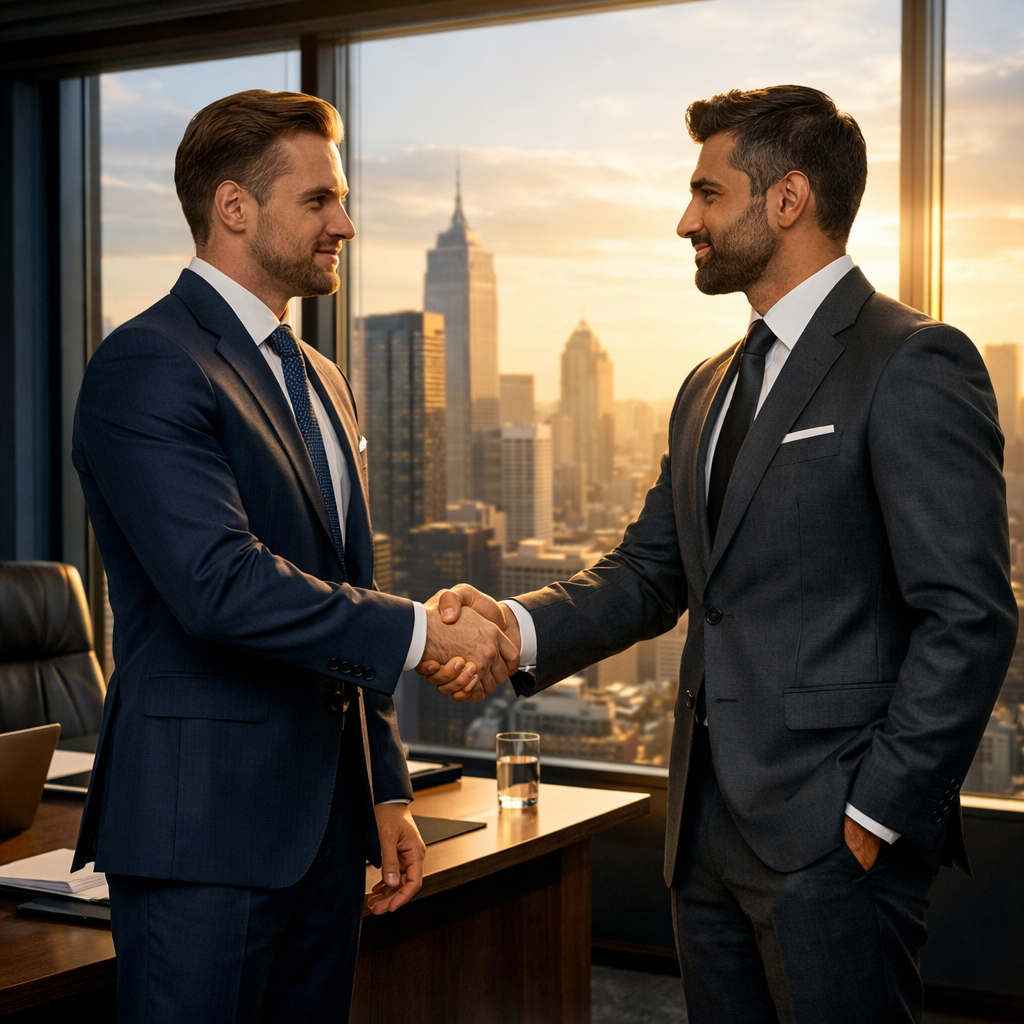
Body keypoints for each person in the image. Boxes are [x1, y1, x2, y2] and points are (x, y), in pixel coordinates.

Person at [421, 85, 1018, 1023]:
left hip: (833, 840)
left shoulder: (912, 360)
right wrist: (515, 628)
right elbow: (652, 570)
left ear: (787, 199)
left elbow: (971, 614)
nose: (684, 220)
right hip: (702, 836)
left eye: (707, 193)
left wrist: (872, 817)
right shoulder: (707, 386)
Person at [72, 89, 517, 1023]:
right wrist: (417, 631)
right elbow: (219, 586)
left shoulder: (319, 375)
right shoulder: (148, 363)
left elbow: (344, 590)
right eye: (319, 201)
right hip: (204, 833)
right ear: (235, 207)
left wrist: (386, 789)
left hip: (325, 831)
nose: (344, 224)